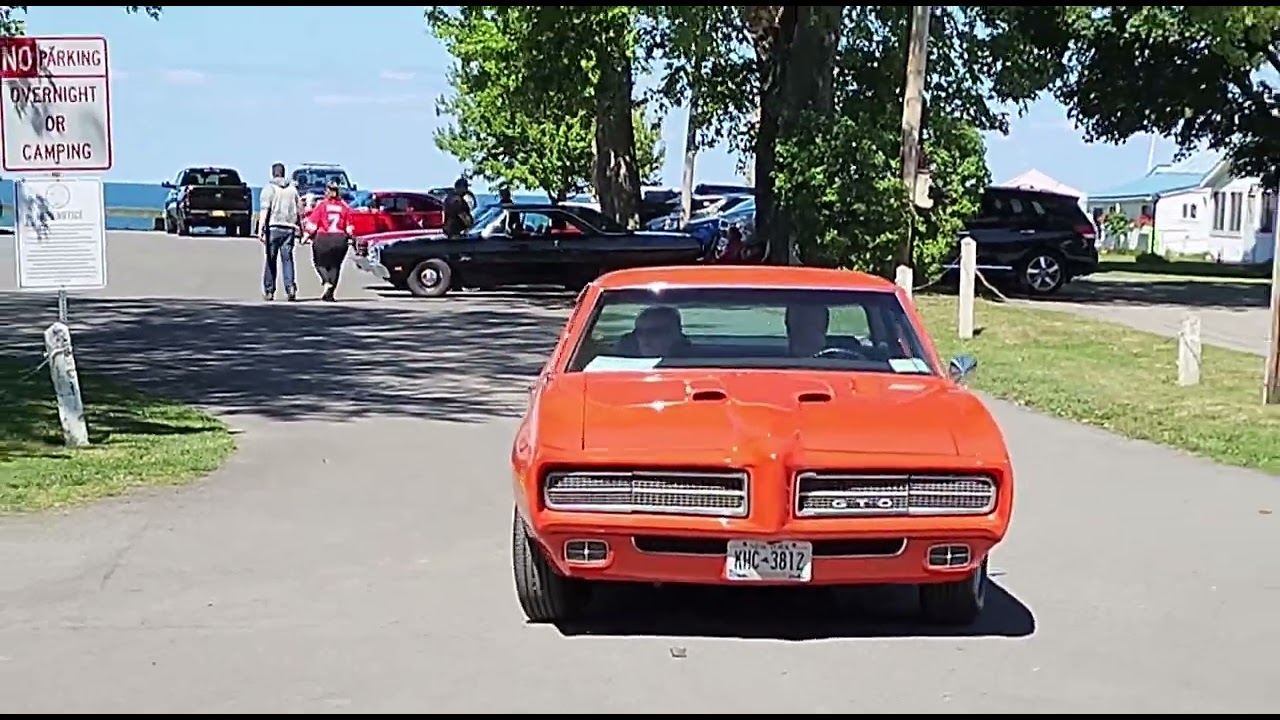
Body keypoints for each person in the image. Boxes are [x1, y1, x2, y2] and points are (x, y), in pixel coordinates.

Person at [301, 181, 355, 302]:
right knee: (335, 265)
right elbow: (349, 228)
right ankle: (330, 293)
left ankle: (326, 281)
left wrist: (305, 237)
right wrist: (352, 238)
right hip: (340, 239)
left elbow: (313, 224)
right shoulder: (344, 207)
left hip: (323, 238)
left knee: (319, 263)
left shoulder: (322, 205)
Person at [257, 162, 303, 301]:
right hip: (289, 227)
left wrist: (260, 229)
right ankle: (290, 287)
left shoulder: (269, 189)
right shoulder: (293, 190)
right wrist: (300, 227)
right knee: (287, 259)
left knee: (271, 260)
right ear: (283, 173)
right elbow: (299, 210)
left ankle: (269, 290)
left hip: (274, 227)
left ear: (273, 173)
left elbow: (264, 210)